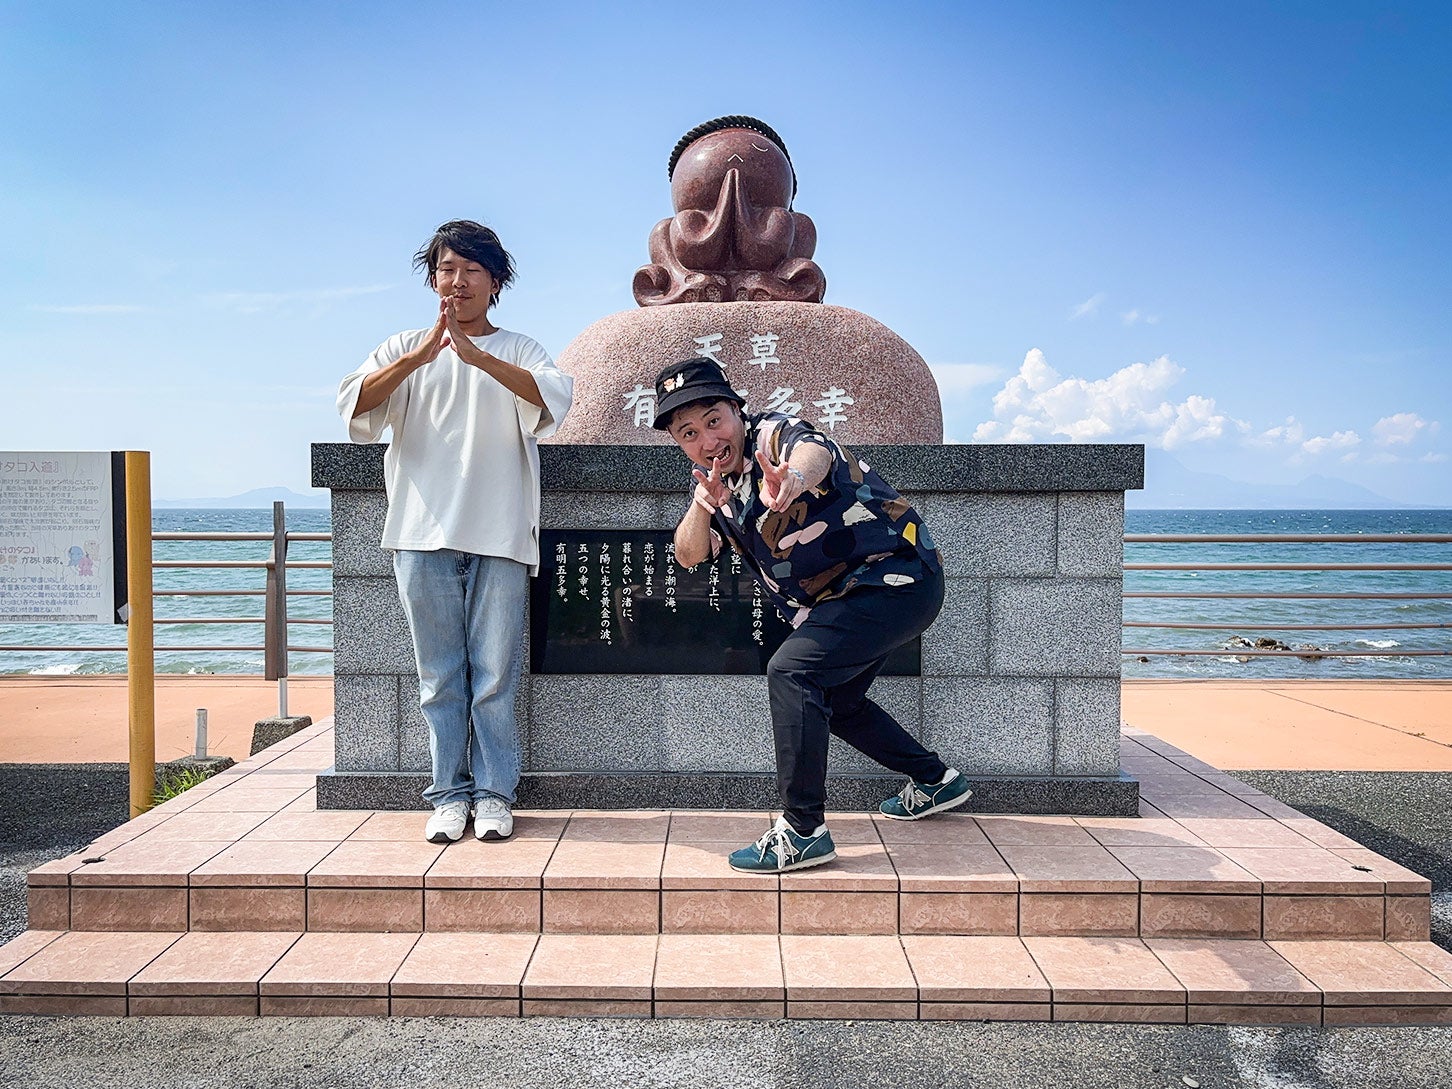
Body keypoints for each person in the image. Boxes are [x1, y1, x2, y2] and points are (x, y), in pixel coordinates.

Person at [653, 356, 971, 873]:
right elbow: (688, 553)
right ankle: (936, 781)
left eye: (715, 419)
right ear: (679, 443)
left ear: (737, 409)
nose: (708, 439)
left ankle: (803, 830)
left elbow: (812, 451)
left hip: (895, 576)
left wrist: (793, 481)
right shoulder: (718, 489)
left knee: (793, 670)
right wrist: (703, 506)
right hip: (854, 599)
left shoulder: (772, 436)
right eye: (689, 433)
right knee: (835, 699)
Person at [337, 220, 572, 844]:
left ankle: (495, 794)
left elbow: (553, 401)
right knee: (438, 675)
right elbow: (355, 404)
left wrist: (478, 358)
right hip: (418, 532)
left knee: (494, 675)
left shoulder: (520, 349)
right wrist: (423, 356)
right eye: (447, 269)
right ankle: (448, 795)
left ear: (495, 283)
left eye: (472, 271)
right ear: (432, 278)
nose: (457, 282)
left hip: (500, 534)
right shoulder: (402, 346)